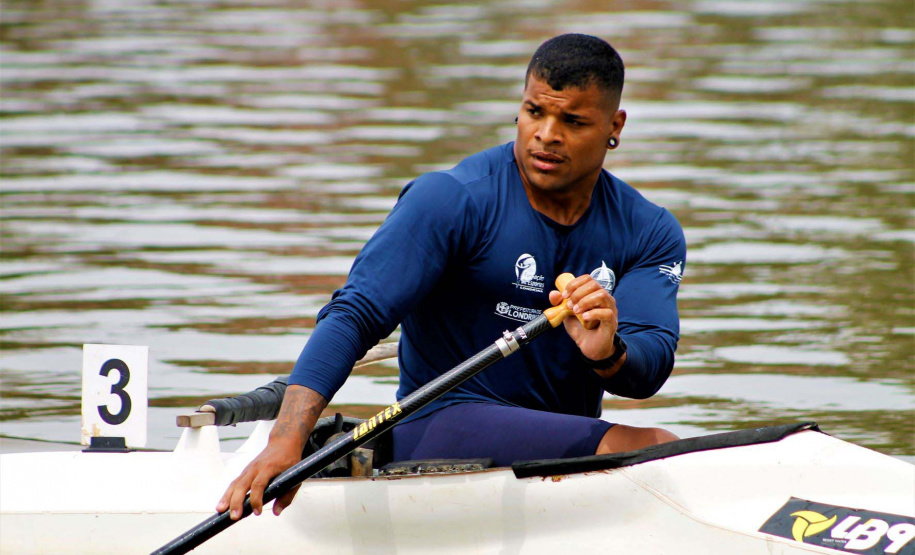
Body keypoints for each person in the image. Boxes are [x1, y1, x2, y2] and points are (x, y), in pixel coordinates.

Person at [218, 33, 685, 520]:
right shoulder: (450, 200)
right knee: (659, 447)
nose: (546, 134)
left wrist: (608, 353)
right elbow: (353, 315)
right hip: (439, 422)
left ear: (615, 125)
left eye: (572, 121)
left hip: (560, 444)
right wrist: (285, 440)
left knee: (663, 453)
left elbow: (648, 368)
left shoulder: (649, 230)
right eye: (534, 112)